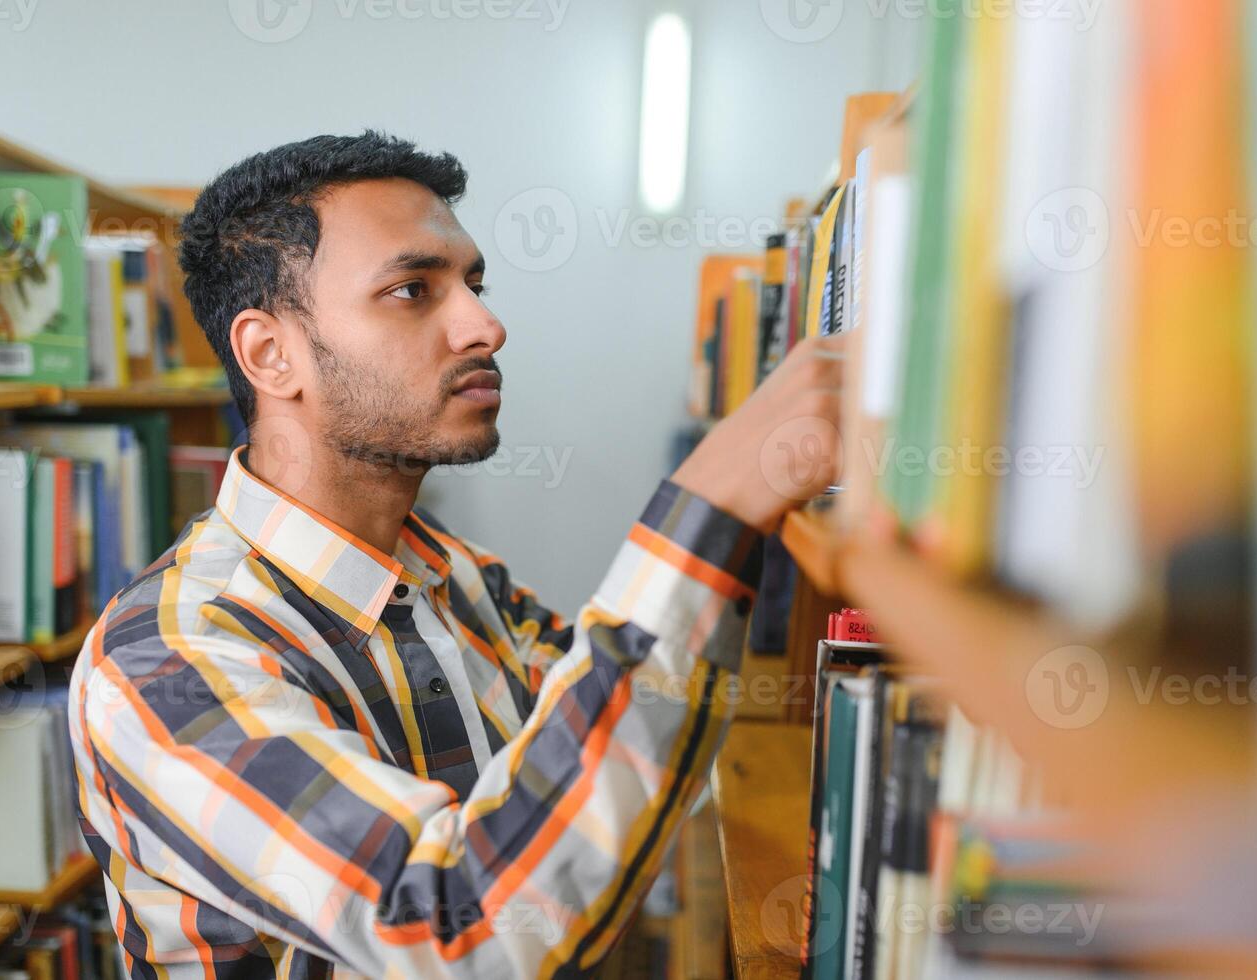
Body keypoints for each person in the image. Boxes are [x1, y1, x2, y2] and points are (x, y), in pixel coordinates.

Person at [69, 131, 842, 978]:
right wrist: (715, 503)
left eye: (472, 284)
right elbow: (461, 930)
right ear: (270, 353)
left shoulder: (457, 575)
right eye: (411, 290)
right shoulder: (164, 664)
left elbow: (614, 775)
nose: (485, 324)